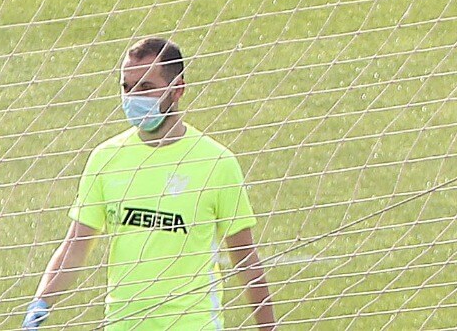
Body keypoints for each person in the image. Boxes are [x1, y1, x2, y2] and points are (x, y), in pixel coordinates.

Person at [25, 37, 276, 330]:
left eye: (145, 87)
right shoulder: (105, 159)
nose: (133, 98)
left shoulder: (217, 163)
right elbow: (76, 245)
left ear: (178, 89)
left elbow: (245, 259)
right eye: (126, 88)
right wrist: (41, 303)